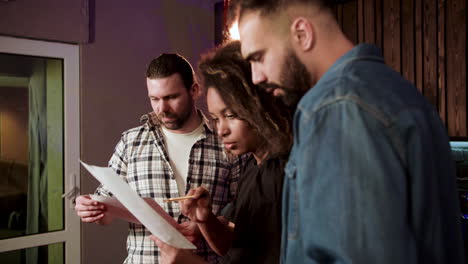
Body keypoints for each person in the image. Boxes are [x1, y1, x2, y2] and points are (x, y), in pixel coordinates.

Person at [232, 0, 465, 263]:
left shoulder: (336, 108)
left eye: (258, 57)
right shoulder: (398, 92)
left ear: (302, 34)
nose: (255, 77)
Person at [74, 53, 245, 264]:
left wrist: (205, 226)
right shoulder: (131, 142)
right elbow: (106, 210)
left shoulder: (227, 141)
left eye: (171, 97)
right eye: (154, 99)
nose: (161, 108)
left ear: (194, 90)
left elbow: (243, 215)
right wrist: (91, 208)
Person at [150, 41, 292, 264]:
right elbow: (232, 246)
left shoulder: (281, 173)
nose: (221, 130)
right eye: (216, 119)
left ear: (259, 107)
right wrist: (206, 220)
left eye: (232, 115)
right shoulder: (252, 166)